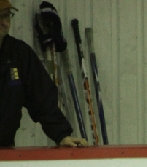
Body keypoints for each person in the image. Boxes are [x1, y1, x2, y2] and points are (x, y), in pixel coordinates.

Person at [0, 0, 85, 147]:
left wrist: (61, 135)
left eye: (7, 15)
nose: (4, 22)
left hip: (4, 148)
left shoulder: (19, 54)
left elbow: (42, 97)